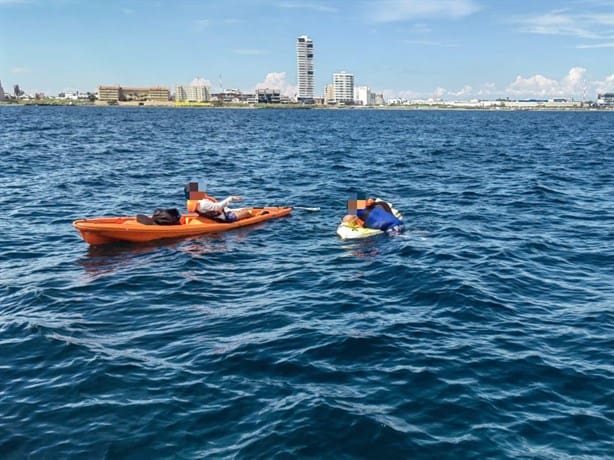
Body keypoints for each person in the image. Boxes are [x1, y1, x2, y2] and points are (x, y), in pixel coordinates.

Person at [184, 182, 252, 222]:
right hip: (223, 218)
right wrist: (230, 198)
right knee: (247, 212)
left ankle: (236, 212)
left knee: (241, 209)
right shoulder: (203, 203)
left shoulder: (194, 201)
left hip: (218, 214)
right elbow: (217, 207)